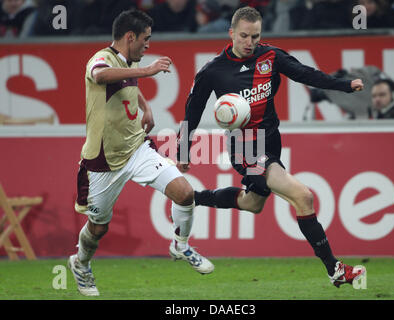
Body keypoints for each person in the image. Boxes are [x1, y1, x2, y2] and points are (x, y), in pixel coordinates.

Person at [176, 6, 366, 288]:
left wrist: (345, 85)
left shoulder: (270, 56)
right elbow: (192, 112)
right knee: (303, 196)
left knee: (252, 204)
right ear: (231, 34)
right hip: (245, 147)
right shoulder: (213, 71)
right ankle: (335, 269)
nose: (250, 42)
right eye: (244, 36)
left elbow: (306, 74)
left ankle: (192, 198)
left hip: (271, 141)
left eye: (255, 36)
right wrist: (183, 151)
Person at [68, 9, 213, 297]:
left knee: (185, 193)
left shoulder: (126, 62)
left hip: (137, 149)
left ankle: (180, 245)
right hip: (102, 163)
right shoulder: (101, 59)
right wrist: (147, 71)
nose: (148, 45)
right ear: (129, 37)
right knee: (98, 229)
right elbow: (101, 76)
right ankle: (80, 263)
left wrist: (146, 107)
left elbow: (126, 82)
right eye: (145, 39)